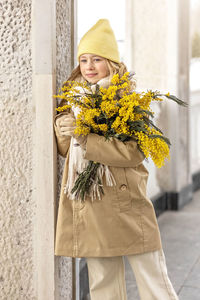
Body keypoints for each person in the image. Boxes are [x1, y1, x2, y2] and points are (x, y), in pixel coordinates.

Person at [54, 19, 178, 300]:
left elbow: (134, 153)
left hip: (128, 204)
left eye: (97, 58)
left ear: (111, 61)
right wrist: (64, 127)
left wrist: (86, 138)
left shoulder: (129, 100)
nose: (89, 66)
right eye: (84, 59)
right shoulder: (72, 101)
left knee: (154, 282)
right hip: (91, 204)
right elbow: (66, 152)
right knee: (103, 286)